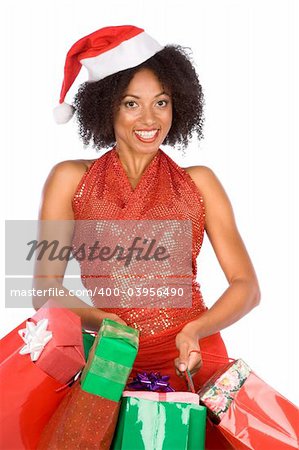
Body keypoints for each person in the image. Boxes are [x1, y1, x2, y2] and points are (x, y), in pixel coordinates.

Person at [34, 25, 261, 448]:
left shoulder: (201, 183)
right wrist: (101, 322)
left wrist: (195, 329)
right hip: (107, 360)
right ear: (106, 109)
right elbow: (44, 289)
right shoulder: (70, 179)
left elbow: (247, 288)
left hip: (190, 357)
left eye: (161, 102)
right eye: (131, 104)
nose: (150, 119)